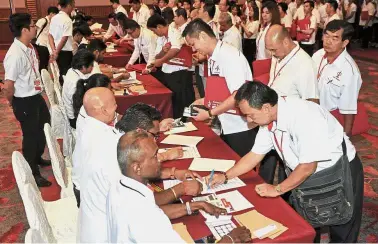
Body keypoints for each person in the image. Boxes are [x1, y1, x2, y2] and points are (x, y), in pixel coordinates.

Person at [205, 81, 364, 243]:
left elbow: (308, 166)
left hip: (338, 173)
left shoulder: (305, 116)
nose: (248, 120)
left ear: (266, 107)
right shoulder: (270, 118)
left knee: (342, 224)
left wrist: (277, 189)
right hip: (305, 174)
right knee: (310, 221)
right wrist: (225, 176)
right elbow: (254, 155)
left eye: (250, 114)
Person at [107, 130, 252, 243]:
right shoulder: (146, 214)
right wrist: (231, 240)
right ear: (137, 167)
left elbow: (153, 208)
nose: (159, 161)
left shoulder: (117, 186)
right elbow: (148, 215)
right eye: (154, 156)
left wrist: (195, 206)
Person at [182, 19, 256, 157]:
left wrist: (210, 113)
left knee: (242, 171)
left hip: (239, 126)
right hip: (226, 123)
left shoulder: (230, 56)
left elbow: (238, 94)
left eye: (193, 44)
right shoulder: (213, 57)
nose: (193, 49)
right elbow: (221, 91)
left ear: (203, 36)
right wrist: (204, 101)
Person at [260, 24, 318, 184]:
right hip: (273, 119)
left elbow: (312, 102)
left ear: (286, 42)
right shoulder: (279, 55)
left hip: (292, 125)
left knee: (290, 169)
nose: (271, 54)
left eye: (273, 50)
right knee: (267, 160)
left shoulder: (304, 63)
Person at [3, 13, 52, 187]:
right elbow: (8, 86)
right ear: (24, 30)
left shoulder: (29, 47)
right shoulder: (15, 54)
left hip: (35, 96)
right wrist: (12, 102)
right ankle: (32, 171)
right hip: (24, 100)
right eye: (33, 25)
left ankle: (38, 157)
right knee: (30, 136)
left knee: (45, 125)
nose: (36, 28)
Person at [313, 20, 362, 136]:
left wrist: (346, 136)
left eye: (335, 38)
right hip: (311, 111)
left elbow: (349, 108)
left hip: (330, 119)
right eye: (326, 36)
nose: (328, 41)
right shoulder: (318, 54)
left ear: (344, 42)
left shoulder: (349, 72)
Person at [147, 14, 195, 119]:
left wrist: (161, 60)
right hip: (168, 72)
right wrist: (162, 52)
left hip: (179, 71)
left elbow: (175, 49)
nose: (154, 33)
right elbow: (157, 55)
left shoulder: (174, 32)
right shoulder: (161, 38)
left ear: (159, 26)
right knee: (174, 100)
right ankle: (177, 120)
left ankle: (186, 122)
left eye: (153, 30)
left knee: (182, 100)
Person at [116, 103, 186, 161]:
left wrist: (158, 127)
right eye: (154, 135)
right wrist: (165, 156)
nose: (155, 141)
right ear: (139, 131)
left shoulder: (127, 132)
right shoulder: (119, 146)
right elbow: (140, 167)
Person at [62, 49, 95, 129]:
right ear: (83, 67)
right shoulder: (75, 83)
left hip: (72, 112)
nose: (93, 67)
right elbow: (78, 106)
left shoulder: (72, 70)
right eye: (92, 65)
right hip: (74, 119)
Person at [48, 0, 75, 84]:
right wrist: (56, 52)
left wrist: (54, 50)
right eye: (73, 5)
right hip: (65, 52)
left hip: (57, 50)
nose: (73, 7)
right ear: (68, 5)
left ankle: (63, 91)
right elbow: (64, 38)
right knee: (66, 75)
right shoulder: (67, 20)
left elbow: (50, 35)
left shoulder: (54, 18)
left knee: (60, 72)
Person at [34, 6, 59, 71]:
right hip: (41, 44)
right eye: (55, 15)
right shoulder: (43, 20)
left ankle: (44, 76)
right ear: (51, 13)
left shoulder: (52, 22)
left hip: (47, 45)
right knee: (43, 62)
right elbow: (34, 29)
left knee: (45, 63)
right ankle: (42, 78)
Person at [241, 4, 259, 70]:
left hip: (251, 43)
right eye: (249, 10)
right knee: (245, 59)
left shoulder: (256, 22)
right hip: (246, 41)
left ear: (255, 13)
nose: (249, 12)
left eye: (251, 11)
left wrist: (243, 25)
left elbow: (249, 34)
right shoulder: (249, 21)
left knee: (250, 60)